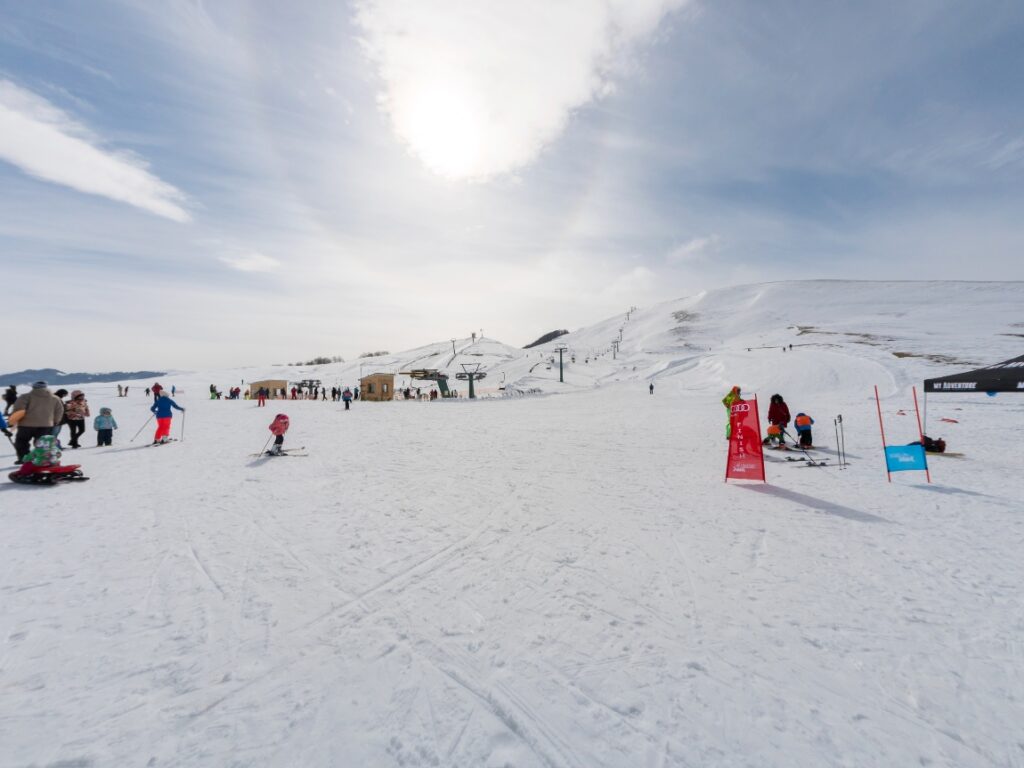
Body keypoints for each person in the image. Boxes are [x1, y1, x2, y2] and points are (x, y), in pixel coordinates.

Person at [8, 381, 65, 463]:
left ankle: (24, 459)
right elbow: (59, 411)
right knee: (42, 444)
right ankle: (41, 459)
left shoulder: (25, 397)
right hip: (46, 425)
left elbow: (19, 410)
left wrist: (12, 422)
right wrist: (56, 421)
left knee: (22, 442)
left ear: (33, 387)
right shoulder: (55, 398)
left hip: (26, 425)